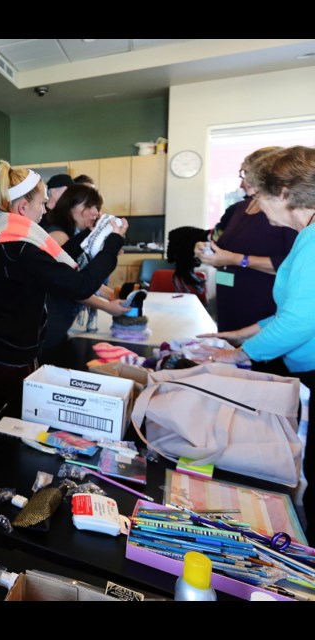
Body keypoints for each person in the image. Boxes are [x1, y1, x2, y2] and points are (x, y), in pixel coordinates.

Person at [198, 145, 315, 536]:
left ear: (283, 193)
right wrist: (240, 334)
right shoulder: (306, 233)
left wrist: (241, 355)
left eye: (260, 193)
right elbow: (292, 311)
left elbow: (300, 320)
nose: (255, 202)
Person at [0, 160, 127, 419]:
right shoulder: (21, 248)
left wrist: (88, 236)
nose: (45, 211)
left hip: (2, 345)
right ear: (24, 207)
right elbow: (79, 285)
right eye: (42, 203)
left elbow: (53, 260)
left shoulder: (0, 236)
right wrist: (114, 242)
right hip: (15, 352)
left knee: (7, 408)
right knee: (16, 415)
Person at [195, 147, 297, 337]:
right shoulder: (238, 208)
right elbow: (219, 242)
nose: (242, 183)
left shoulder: (287, 213)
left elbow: (292, 265)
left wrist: (236, 259)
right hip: (229, 302)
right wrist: (205, 248)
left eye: (246, 173)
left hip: (264, 304)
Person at [40, 184, 127, 368]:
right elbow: (74, 286)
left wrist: (111, 295)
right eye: (89, 206)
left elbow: (81, 274)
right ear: (70, 207)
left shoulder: (73, 235)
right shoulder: (59, 236)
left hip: (62, 316)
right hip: (52, 317)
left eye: (97, 207)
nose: (95, 212)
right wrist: (107, 307)